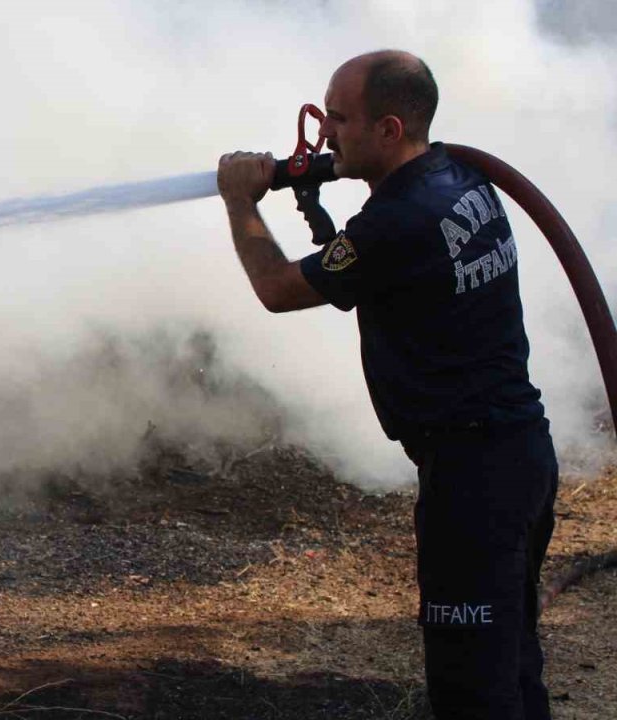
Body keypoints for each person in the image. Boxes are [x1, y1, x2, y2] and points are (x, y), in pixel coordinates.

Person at [216, 50, 559, 719]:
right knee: (513, 665)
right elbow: (371, 254)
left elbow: (277, 290)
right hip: (518, 456)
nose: (326, 135)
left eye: (341, 120)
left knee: (473, 691)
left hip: (473, 480)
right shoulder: (460, 176)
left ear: (390, 129)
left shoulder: (398, 224)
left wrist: (240, 202)